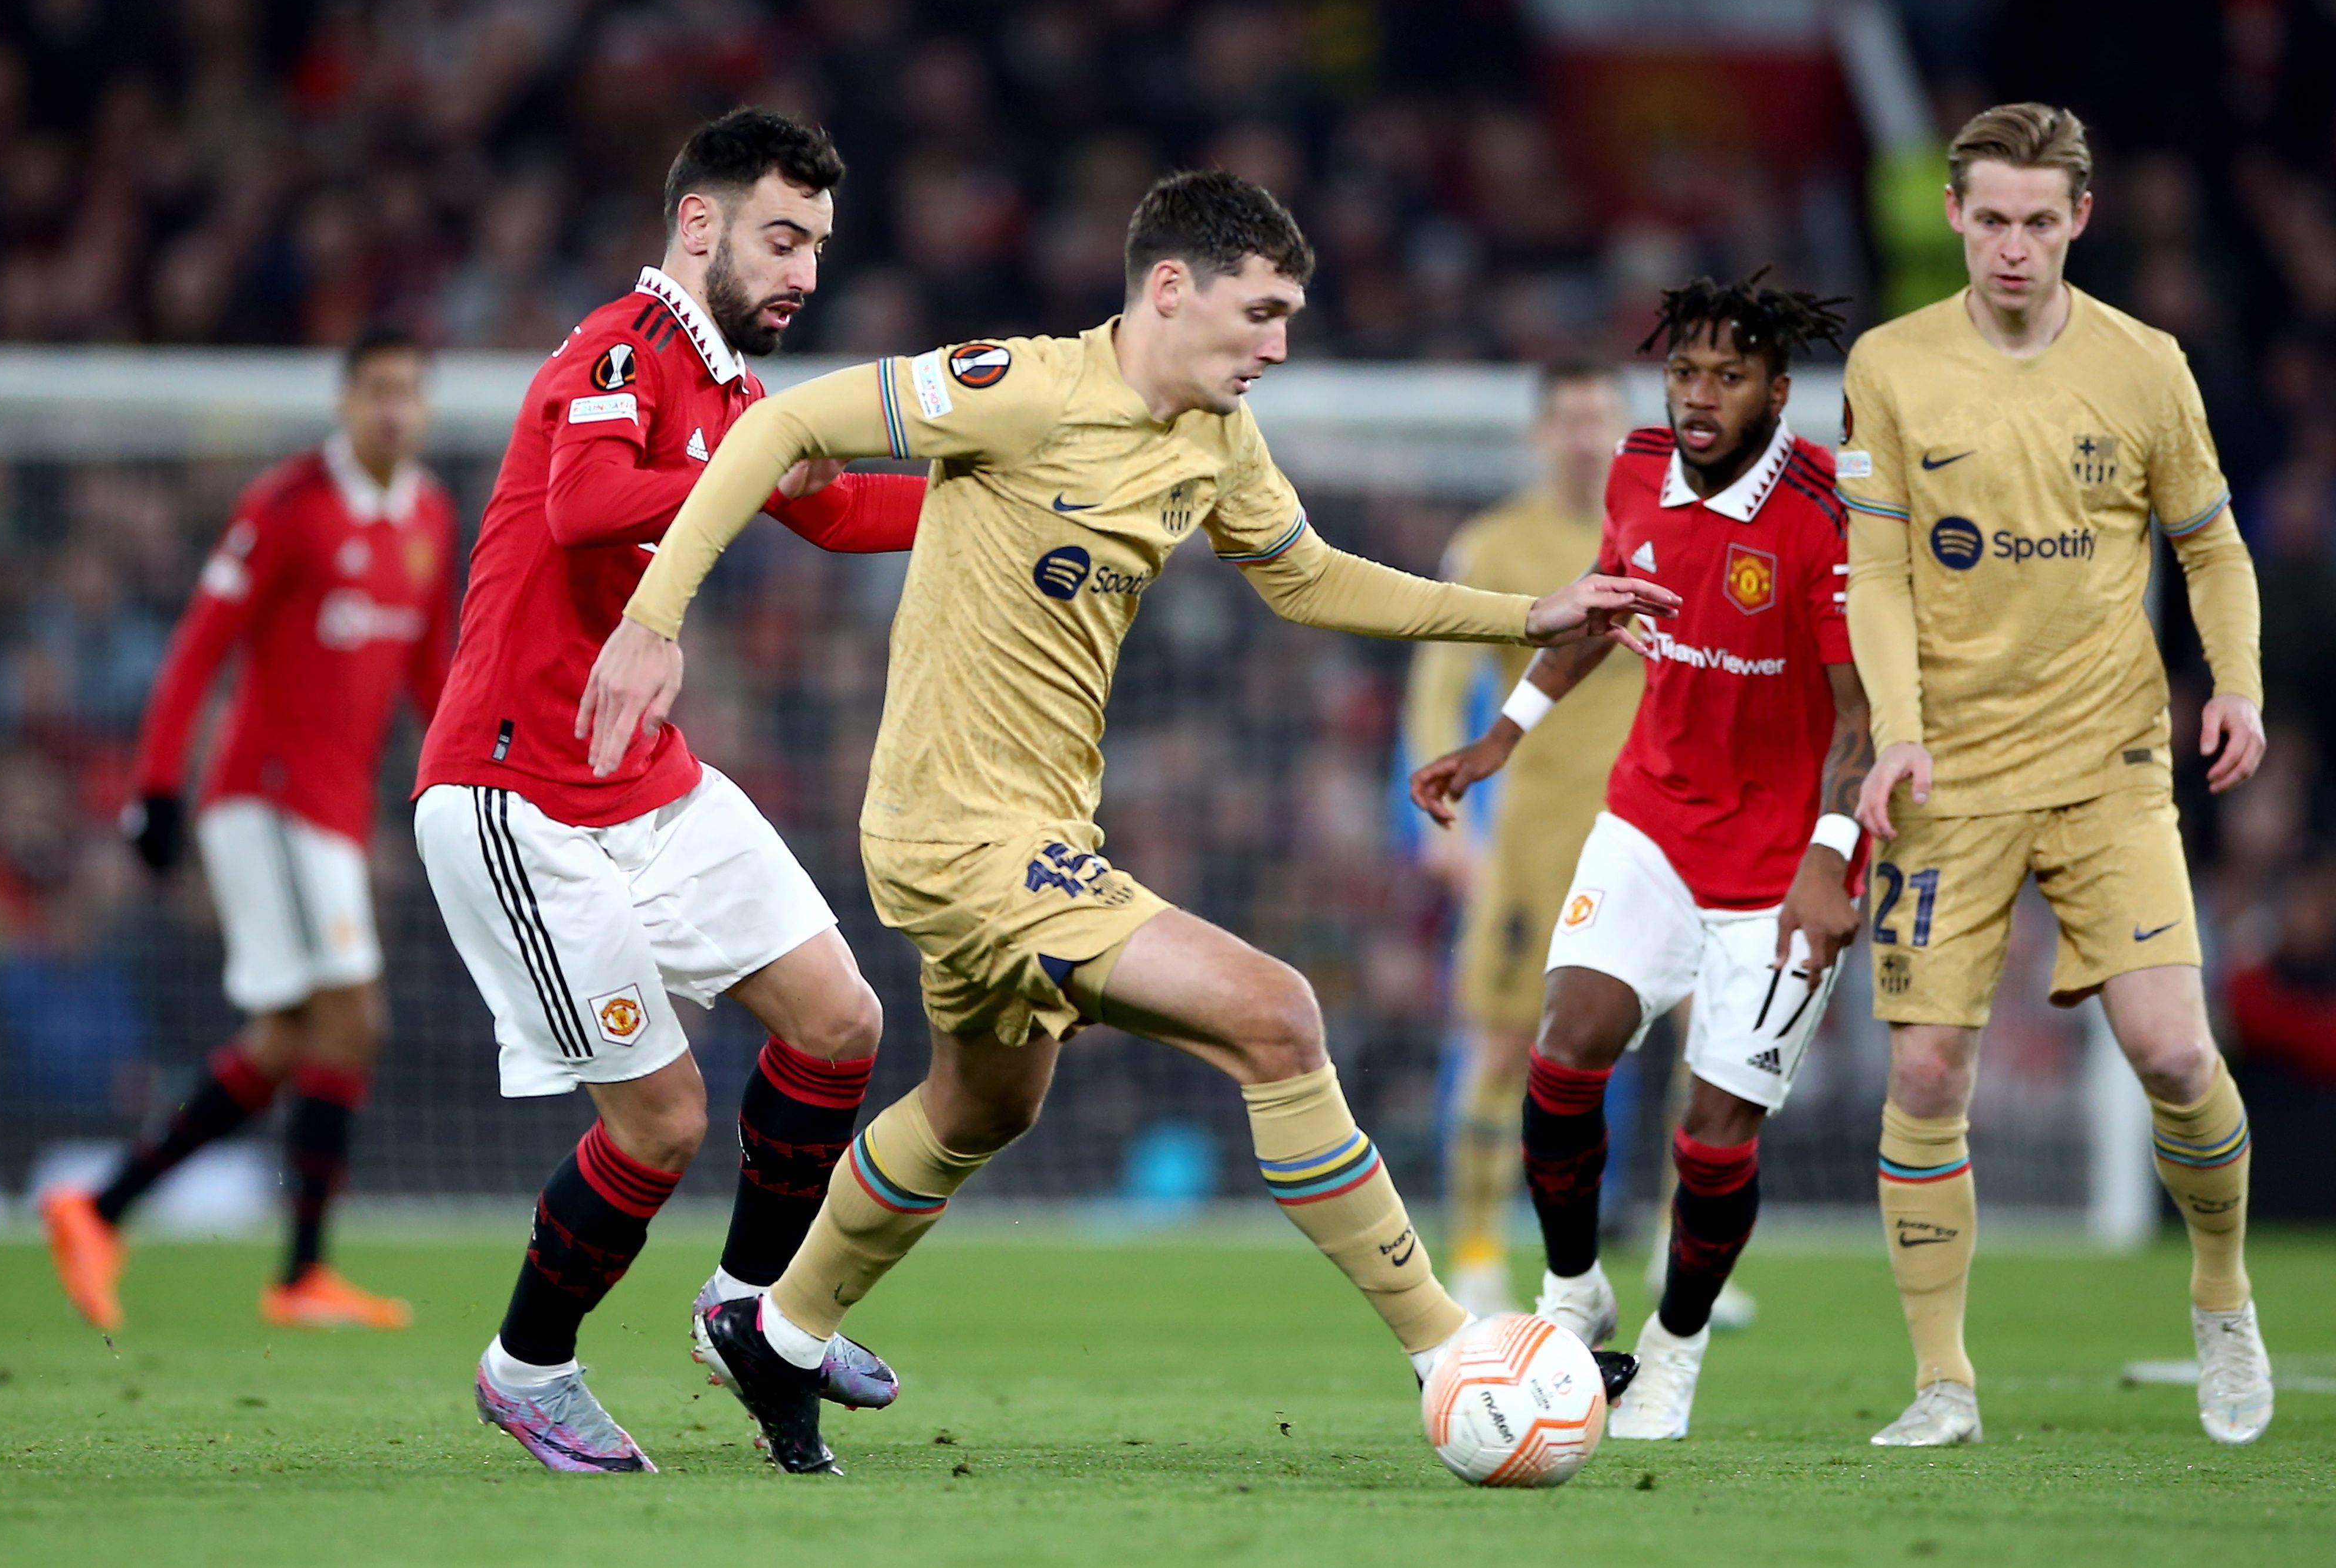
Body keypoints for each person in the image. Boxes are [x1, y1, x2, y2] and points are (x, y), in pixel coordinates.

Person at [580, 169, 1676, 1472]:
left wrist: (1523, 614)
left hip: (1043, 833)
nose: (1276, 345)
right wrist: (653, 621)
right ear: (1171, 288)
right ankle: (1454, 1352)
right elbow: (778, 428)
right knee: (1276, 1014)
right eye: (1260, 312)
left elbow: (1309, 577)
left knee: (980, 1105)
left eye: (1288, 318)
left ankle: (782, 1327)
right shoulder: (1017, 387)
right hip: (955, 834)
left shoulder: (1215, 438)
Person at [410, 109, 927, 1475]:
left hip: (648, 778)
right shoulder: (616, 349)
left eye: (815, 244)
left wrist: (1014, 499)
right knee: (663, 1118)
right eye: (779, 237)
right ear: (698, 226)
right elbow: (584, 505)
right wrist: (740, 477)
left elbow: (835, 509)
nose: (802, 271)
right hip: (516, 792)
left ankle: (749, 1306)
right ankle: (527, 1366)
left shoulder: (734, 396)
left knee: (838, 1020)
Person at [1841, 102, 2271, 1448]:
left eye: (2038, 221)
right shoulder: (1889, 366)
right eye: (1988, 220)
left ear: (2077, 219)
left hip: (2106, 758)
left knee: (2171, 1049)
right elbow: (1875, 571)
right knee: (1922, 1077)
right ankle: (1942, 1382)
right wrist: (1896, 726)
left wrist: (2238, 685)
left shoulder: (2144, 366)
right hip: (1947, 770)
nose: (2012, 247)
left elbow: (2209, 545)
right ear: (1954, 217)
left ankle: (2218, 1293)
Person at [1411, 273, 1869, 1440]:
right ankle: (1571, 1289)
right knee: (1562, 1053)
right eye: (1683, 372)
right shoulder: (1633, 467)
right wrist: (1498, 736)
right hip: (1650, 823)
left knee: (1712, 1135)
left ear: (1775, 388)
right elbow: (1605, 615)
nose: (1700, 394)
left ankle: (1672, 1344)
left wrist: (1829, 856)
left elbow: (1857, 710)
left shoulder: (1823, 511)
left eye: (1727, 376)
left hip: (1781, 863)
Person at [42, 327, 455, 1333]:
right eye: (378, 391)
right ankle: (298, 1270)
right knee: (350, 1022)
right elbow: (199, 647)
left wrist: (463, 781)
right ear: (345, 401)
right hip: (263, 798)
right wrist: (154, 786)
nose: (394, 410)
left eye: (409, 392)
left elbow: (427, 673)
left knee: (285, 1038)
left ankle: (99, 1210)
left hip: (333, 814)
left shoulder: (431, 516)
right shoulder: (287, 508)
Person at [1400, 361, 1641, 1316]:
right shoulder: (1497, 543)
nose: (1588, 438)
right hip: (1538, 840)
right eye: (1570, 421)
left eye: (1602, 419)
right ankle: (1479, 1255)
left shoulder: (1666, 534)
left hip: (1658, 833)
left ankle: (1677, 1257)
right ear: (1543, 433)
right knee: (1505, 1045)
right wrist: (1446, 817)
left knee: (1696, 1048)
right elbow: (1436, 682)